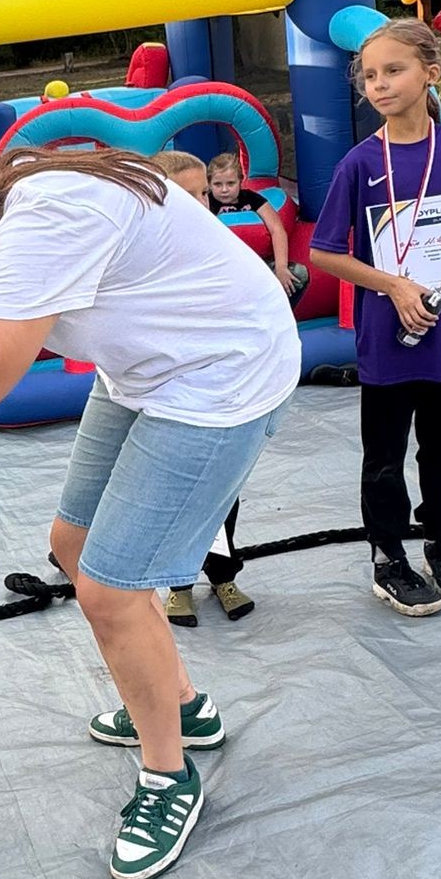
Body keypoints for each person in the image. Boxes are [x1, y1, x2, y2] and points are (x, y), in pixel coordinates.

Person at [0, 146, 299, 879]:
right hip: (151, 367)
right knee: (73, 545)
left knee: (110, 592)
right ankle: (182, 705)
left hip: (222, 373)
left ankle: (169, 776)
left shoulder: (39, 224)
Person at [309, 18, 441, 618]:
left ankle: (440, 542)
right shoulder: (359, 163)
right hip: (389, 338)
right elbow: (325, 252)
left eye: (394, 70)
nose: (379, 84)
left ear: (431, 73)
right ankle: (388, 558)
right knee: (384, 455)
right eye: (369, 76)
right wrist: (393, 285)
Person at [151, 151, 257, 626]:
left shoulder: (220, 246)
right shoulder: (147, 255)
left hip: (221, 393)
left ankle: (223, 574)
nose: (202, 203)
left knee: (222, 490)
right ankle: (177, 584)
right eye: (188, 194)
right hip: (172, 396)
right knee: (174, 493)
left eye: (203, 193)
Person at [207, 147, 309, 303]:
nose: (224, 190)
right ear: (209, 184)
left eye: (230, 183)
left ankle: (277, 312)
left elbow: (277, 229)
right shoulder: (208, 203)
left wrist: (281, 267)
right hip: (224, 269)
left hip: (258, 264)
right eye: (217, 184)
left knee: (298, 274)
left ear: (241, 181)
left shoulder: (252, 199)